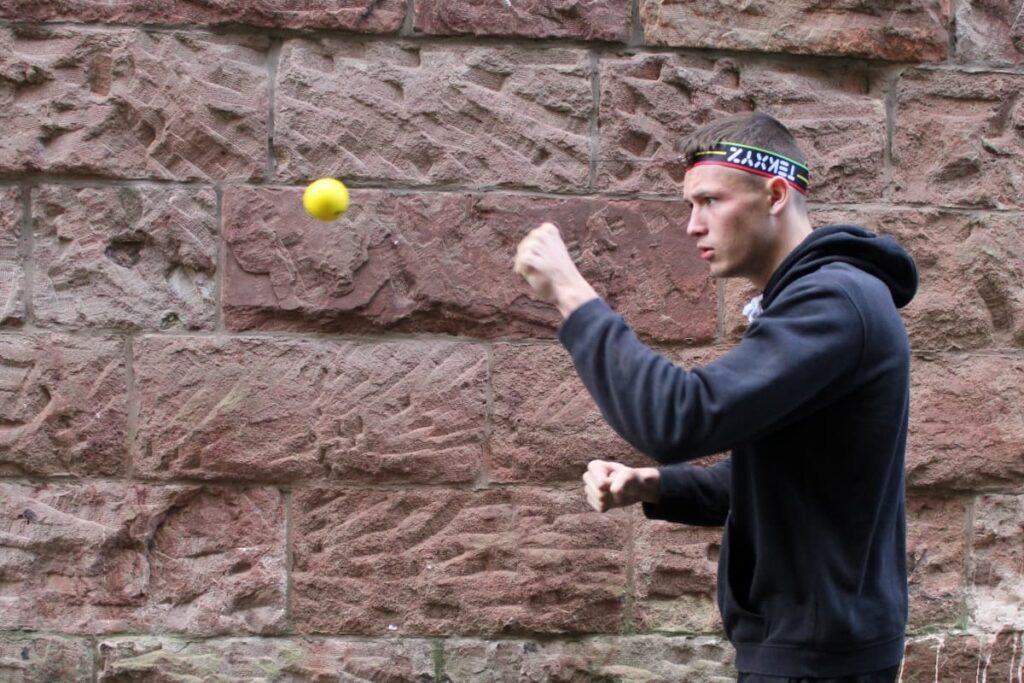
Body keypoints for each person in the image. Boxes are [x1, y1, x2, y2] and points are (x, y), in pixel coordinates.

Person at [513, 112, 918, 683]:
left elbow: (679, 418)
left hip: (816, 661)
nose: (692, 226)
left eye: (709, 201)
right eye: (688, 206)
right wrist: (656, 484)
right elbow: (787, 471)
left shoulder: (833, 303)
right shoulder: (820, 300)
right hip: (812, 648)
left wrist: (569, 294)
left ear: (775, 194)